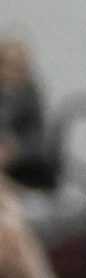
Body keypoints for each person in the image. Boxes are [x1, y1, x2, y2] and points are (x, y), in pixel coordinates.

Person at [0, 35, 53, 190]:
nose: (11, 71)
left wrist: (14, 148)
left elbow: (38, 138)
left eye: (18, 66)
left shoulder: (31, 96)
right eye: (7, 64)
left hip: (19, 166)